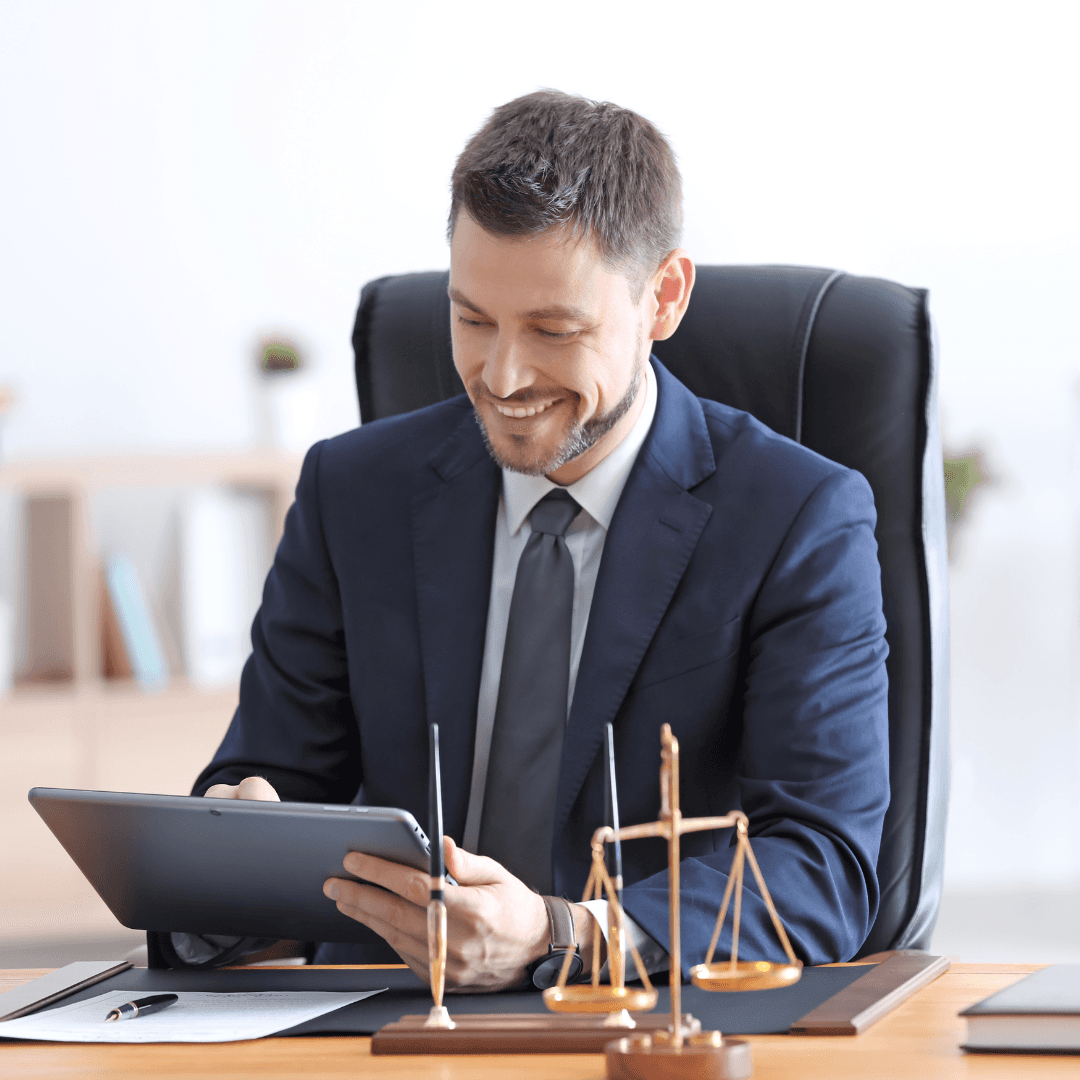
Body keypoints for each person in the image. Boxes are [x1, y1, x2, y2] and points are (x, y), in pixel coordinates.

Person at [164, 90, 889, 989]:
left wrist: (563, 934)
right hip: (381, 1021)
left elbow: (824, 865)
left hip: (636, 1024)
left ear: (663, 297)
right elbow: (267, 776)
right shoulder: (351, 493)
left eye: (553, 330)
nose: (502, 376)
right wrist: (233, 846)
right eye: (472, 319)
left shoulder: (798, 519)